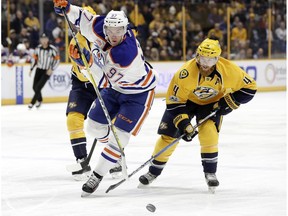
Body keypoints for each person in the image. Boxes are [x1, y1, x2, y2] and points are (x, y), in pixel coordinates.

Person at [54, 0, 158, 196]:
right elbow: (85, 20)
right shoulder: (105, 28)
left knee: (121, 137)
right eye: (110, 30)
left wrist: (86, 61)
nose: (113, 35)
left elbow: (103, 79)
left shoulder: (126, 54)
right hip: (115, 88)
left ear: (126, 30)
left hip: (138, 94)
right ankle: (116, 156)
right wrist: (67, 9)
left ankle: (98, 174)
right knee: (93, 126)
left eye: (118, 31)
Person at [138, 38, 257, 192]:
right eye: (202, 58)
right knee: (168, 136)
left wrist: (228, 103)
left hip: (211, 104)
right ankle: (152, 172)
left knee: (209, 132)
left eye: (211, 59)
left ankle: (210, 172)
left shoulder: (228, 70)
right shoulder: (185, 73)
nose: (206, 64)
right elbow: (174, 102)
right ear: (197, 56)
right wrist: (184, 124)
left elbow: (250, 87)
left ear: (217, 59)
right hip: (185, 103)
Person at [28, 33, 60, 109]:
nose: (44, 40)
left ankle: (32, 103)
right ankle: (40, 100)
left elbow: (57, 60)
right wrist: (31, 69)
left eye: (45, 39)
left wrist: (51, 69)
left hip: (47, 71)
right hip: (38, 69)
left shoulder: (52, 49)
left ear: (48, 39)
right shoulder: (38, 49)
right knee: (34, 87)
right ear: (40, 40)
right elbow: (34, 60)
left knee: (38, 87)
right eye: (42, 39)